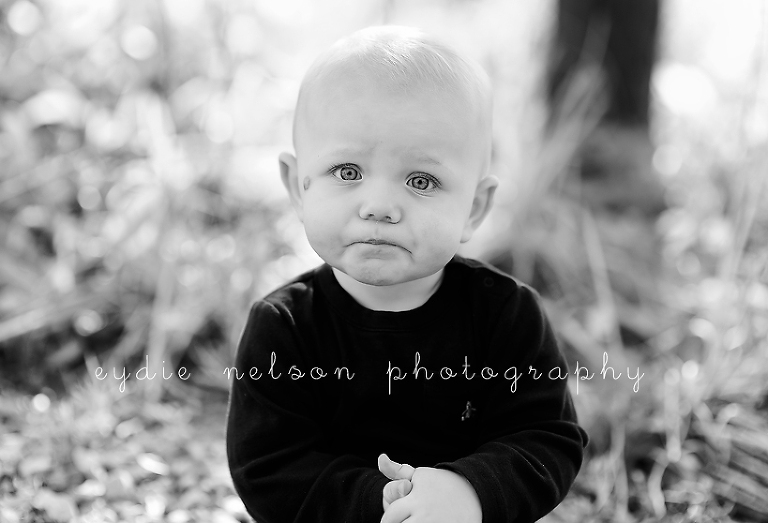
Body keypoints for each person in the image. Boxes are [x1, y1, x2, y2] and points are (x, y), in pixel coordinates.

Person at [226, 25, 588, 523]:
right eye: (348, 172)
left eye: (421, 180)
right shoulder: (284, 328)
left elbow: (547, 438)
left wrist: (470, 492)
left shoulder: (506, 316)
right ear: (297, 186)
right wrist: (379, 503)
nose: (379, 206)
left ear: (474, 207)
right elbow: (269, 467)